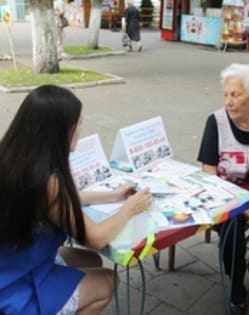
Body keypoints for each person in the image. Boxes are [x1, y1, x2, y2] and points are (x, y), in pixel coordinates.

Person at [0, 85, 153, 314]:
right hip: (16, 284)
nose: (80, 129)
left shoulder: (16, 159)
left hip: (14, 259)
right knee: (107, 280)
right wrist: (130, 207)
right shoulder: (48, 182)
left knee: (91, 260)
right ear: (59, 132)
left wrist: (112, 195)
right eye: (77, 123)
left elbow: (60, 204)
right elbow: (97, 238)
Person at [197, 63, 249, 315]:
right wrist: (243, 210)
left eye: (235, 95)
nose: (228, 102)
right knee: (232, 232)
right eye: (225, 95)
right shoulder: (216, 122)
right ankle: (236, 289)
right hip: (228, 200)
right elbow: (210, 176)